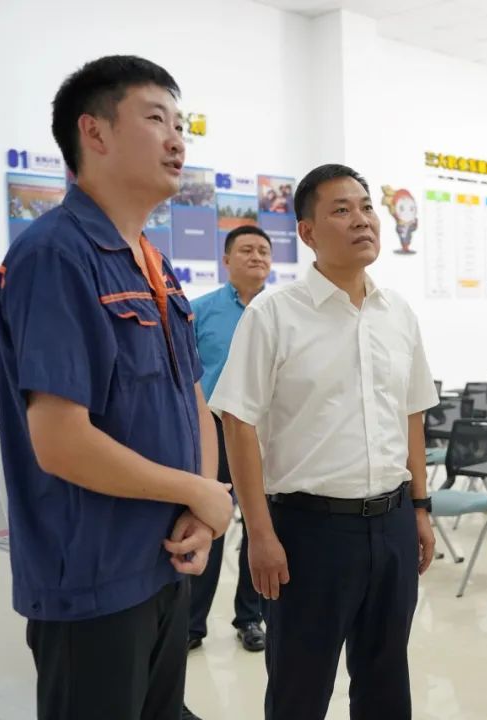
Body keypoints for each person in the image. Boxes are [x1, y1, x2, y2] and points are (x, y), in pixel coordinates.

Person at [0, 55, 232, 720]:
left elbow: (192, 398)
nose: (177, 140)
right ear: (94, 132)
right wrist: (198, 492)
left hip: (163, 560)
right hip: (93, 580)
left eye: (181, 125)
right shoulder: (55, 255)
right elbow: (60, 442)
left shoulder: (153, 263)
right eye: (156, 119)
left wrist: (201, 505)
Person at [210, 164, 439, 720]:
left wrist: (420, 507)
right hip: (308, 533)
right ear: (307, 232)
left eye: (366, 207)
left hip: (391, 525)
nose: (362, 220)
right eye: (342, 210)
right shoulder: (274, 314)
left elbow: (412, 413)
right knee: (300, 690)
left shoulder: (397, 313)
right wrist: (259, 533)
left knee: (387, 685)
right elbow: (238, 422)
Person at [186, 225, 273, 655]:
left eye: (263, 251)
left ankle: (250, 617)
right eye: (246, 250)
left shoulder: (281, 311)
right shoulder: (199, 311)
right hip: (214, 431)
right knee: (211, 521)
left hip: (265, 433)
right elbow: (184, 377)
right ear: (226, 261)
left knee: (259, 524)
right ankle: (191, 623)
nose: (256, 256)